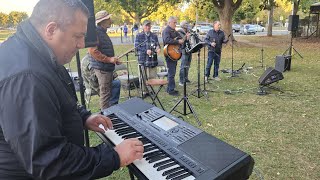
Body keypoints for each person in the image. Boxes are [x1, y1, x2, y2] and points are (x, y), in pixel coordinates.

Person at [0, 0, 143, 179]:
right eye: (77, 36)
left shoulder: (37, 51)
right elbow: (48, 162)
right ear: (51, 30)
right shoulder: (26, 77)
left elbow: (55, 99)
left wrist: (83, 117)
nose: (82, 44)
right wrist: (114, 156)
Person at [88, 10, 121, 110]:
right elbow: (93, 51)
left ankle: (108, 115)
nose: (111, 21)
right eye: (108, 19)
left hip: (105, 67)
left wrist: (113, 60)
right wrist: (109, 59)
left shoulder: (101, 32)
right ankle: (105, 117)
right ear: (102, 21)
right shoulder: (96, 32)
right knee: (105, 95)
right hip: (102, 69)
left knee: (108, 92)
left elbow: (103, 50)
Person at [134, 20, 161, 96]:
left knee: (152, 76)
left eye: (149, 25)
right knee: (143, 76)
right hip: (143, 60)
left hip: (153, 60)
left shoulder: (154, 36)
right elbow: (136, 47)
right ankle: (144, 91)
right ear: (143, 26)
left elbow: (157, 45)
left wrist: (158, 48)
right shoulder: (139, 35)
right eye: (146, 25)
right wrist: (146, 50)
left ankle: (151, 90)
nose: (148, 27)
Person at [162, 16, 185, 96]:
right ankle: (170, 90)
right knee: (171, 72)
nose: (176, 24)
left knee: (173, 71)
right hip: (169, 53)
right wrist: (178, 41)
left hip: (174, 53)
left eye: (176, 22)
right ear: (169, 23)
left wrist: (186, 38)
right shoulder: (166, 31)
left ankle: (170, 87)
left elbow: (181, 38)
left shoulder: (174, 31)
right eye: (174, 22)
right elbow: (166, 40)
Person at [177, 20, 192, 86]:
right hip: (183, 50)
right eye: (187, 25)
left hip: (189, 50)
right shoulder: (179, 32)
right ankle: (181, 80)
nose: (188, 26)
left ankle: (185, 78)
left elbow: (188, 40)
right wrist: (186, 37)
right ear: (184, 26)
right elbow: (181, 41)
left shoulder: (187, 32)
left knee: (187, 65)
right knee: (183, 66)